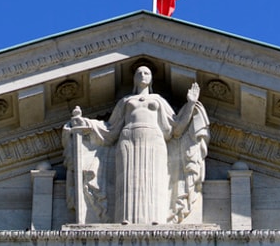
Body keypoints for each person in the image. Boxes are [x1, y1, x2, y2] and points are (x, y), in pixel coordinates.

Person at [64, 64, 209, 225]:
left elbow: (176, 129)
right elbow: (110, 130)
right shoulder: (126, 102)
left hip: (154, 140)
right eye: (139, 73)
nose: (143, 75)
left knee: (154, 178)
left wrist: (190, 104)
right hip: (127, 140)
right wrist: (86, 124)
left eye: (146, 73)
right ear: (134, 78)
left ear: (151, 78)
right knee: (127, 179)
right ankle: (125, 218)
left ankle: (156, 219)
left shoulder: (158, 101)